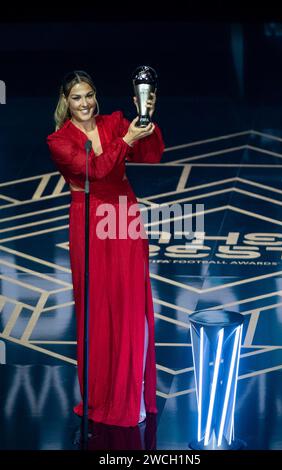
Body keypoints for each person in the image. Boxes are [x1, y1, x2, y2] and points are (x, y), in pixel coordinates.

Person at [47, 70, 164, 427]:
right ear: (66, 102)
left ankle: (133, 395)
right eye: (77, 98)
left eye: (89, 95)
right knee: (97, 306)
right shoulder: (59, 140)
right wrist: (126, 139)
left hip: (124, 213)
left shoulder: (113, 122)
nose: (85, 104)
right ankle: (102, 395)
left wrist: (145, 120)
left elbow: (150, 155)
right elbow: (94, 171)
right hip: (89, 220)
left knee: (130, 303)